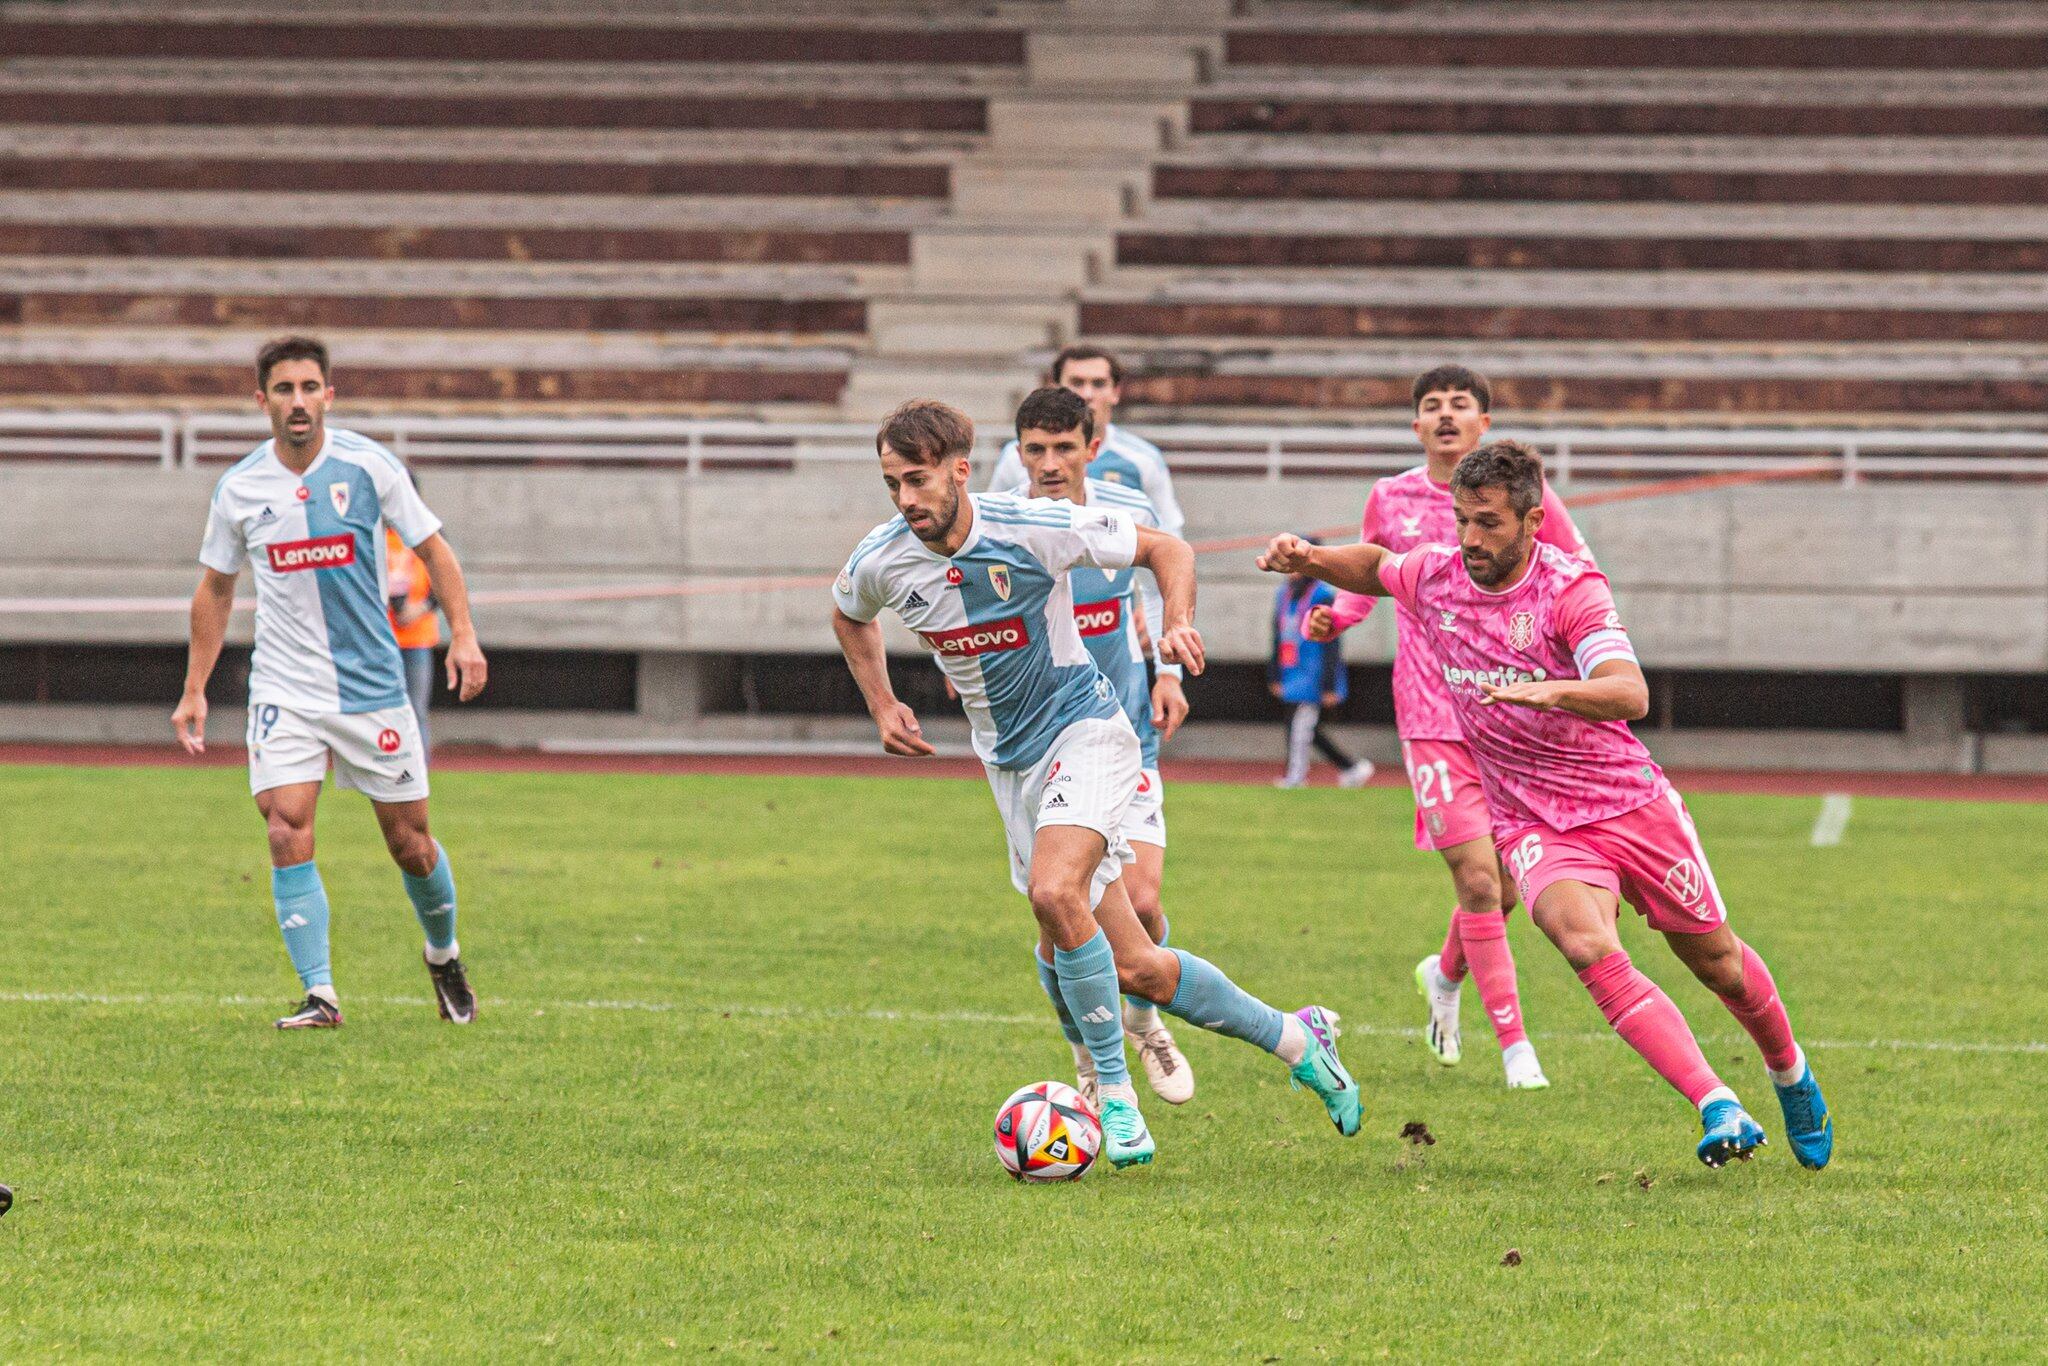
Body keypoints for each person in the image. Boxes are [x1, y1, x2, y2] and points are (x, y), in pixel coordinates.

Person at [1259, 440, 1832, 1169]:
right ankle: (1716, 1101)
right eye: (1464, 520)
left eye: (1489, 524)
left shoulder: (1570, 590)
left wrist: (1553, 689)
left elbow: (1631, 692)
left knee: (1718, 963)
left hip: (1627, 803)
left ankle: (1790, 1072)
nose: (1471, 539)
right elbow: (1375, 566)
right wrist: (1308, 559)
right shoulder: (1438, 574)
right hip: (1531, 818)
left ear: (1533, 520)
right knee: (1582, 939)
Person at [831, 398, 1360, 1169]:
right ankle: (1295, 1037)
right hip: (1009, 763)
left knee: (1054, 893)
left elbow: (1169, 550)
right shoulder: (883, 557)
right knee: (1137, 963)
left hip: (1089, 731)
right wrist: (883, 704)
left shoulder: (1032, 526)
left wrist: (1176, 627)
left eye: (916, 480)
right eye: (891, 485)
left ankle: (1111, 1090)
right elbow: (850, 614)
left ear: (958, 470)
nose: (906, 499)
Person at [172, 335, 487, 1030]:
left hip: (372, 684)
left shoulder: (370, 467)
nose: (298, 402)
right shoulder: (240, 488)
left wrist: (462, 633)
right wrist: (195, 687)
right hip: (285, 687)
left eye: (310, 388)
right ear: (263, 402)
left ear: (329, 396)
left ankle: (443, 955)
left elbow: (434, 549)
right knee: (285, 826)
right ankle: (322, 994)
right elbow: (216, 589)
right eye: (283, 390)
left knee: (410, 841)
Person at [1311, 365, 1586, 1089]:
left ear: (1483, 424)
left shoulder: (1528, 500)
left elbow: (1576, 568)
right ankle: (1516, 1047)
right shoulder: (1391, 498)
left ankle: (1444, 973)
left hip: (1510, 712)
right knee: (1473, 878)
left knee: (1503, 887)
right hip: (1433, 711)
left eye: (1459, 405)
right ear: (1415, 426)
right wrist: (1333, 615)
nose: (1443, 415)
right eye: (1430, 406)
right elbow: (1370, 577)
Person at [1015, 386, 1192, 1107]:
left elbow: (1155, 577)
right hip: (1047, 745)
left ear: (1095, 447)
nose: (1051, 463)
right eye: (1036, 449)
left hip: (1124, 733)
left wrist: (1168, 669)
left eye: (1065, 447)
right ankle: (1089, 1059)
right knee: (1063, 911)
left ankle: (1145, 1021)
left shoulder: (1124, 517)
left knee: (1143, 900)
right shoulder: (1005, 525)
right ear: (1019, 452)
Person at [986, 345, 1185, 643]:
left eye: (1098, 383)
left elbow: (1169, 539)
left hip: (1109, 623)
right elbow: (986, 537)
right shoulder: (1013, 460)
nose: (1087, 394)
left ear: (1115, 392)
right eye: (1077, 383)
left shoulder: (1142, 460)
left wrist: (1158, 607)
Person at [1269, 542, 1374, 790]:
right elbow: (1276, 634)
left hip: (1312, 672)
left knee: (1301, 727)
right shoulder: (1283, 594)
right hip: (1291, 670)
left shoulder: (1322, 595)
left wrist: (1328, 684)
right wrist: (1274, 673)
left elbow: (1331, 644)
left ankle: (1296, 777)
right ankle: (1351, 767)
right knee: (1305, 728)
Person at [385, 485, 439, 750]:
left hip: (417, 637)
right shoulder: (374, 534)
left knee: (416, 711)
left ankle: (419, 777)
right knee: (382, 712)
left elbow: (444, 581)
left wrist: (420, 607)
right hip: (381, 638)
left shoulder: (427, 533)